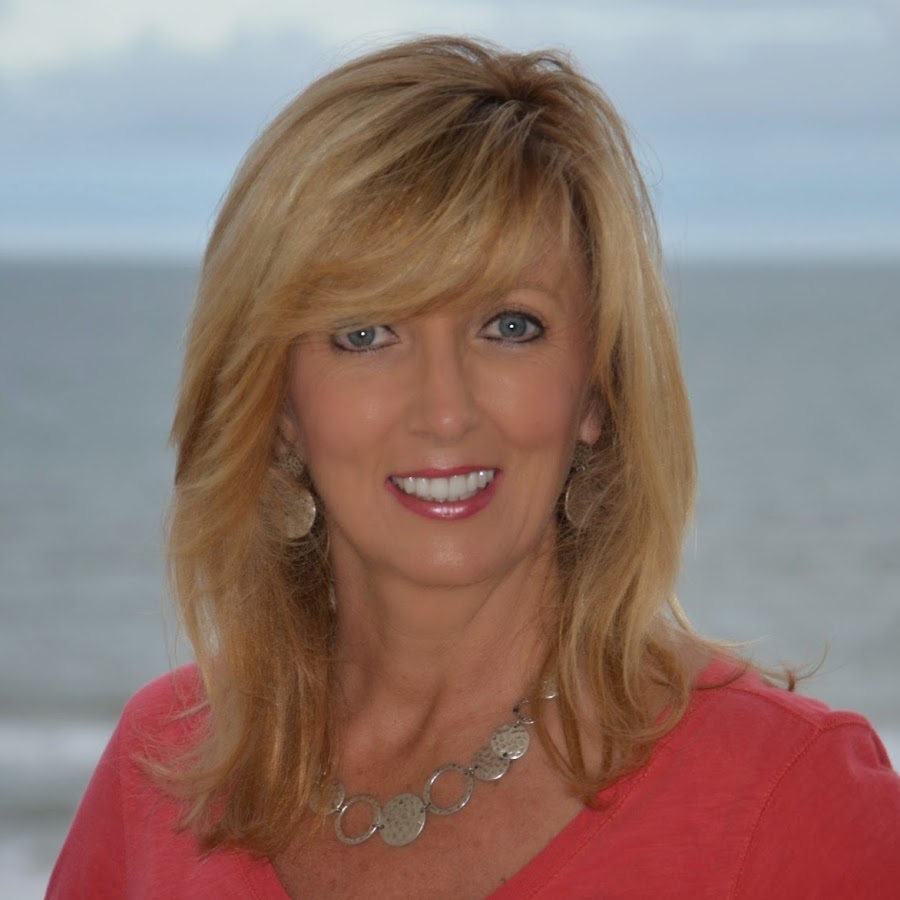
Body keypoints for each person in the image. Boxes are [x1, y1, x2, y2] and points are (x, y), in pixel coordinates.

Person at [48, 36, 899, 899]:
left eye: (510, 326)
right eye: (366, 333)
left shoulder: (793, 798)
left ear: (596, 390)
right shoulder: (162, 766)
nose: (446, 409)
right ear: (278, 409)